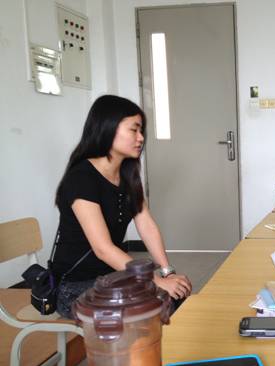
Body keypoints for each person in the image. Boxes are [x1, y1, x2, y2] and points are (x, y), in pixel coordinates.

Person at [52, 95, 192, 318]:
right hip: (74, 288)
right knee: (153, 305)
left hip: (112, 278)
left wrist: (167, 272)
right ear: (107, 128)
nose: (141, 138)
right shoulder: (81, 178)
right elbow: (103, 248)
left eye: (141, 131)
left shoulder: (127, 176)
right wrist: (156, 280)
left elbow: (147, 226)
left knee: (175, 295)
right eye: (134, 130)